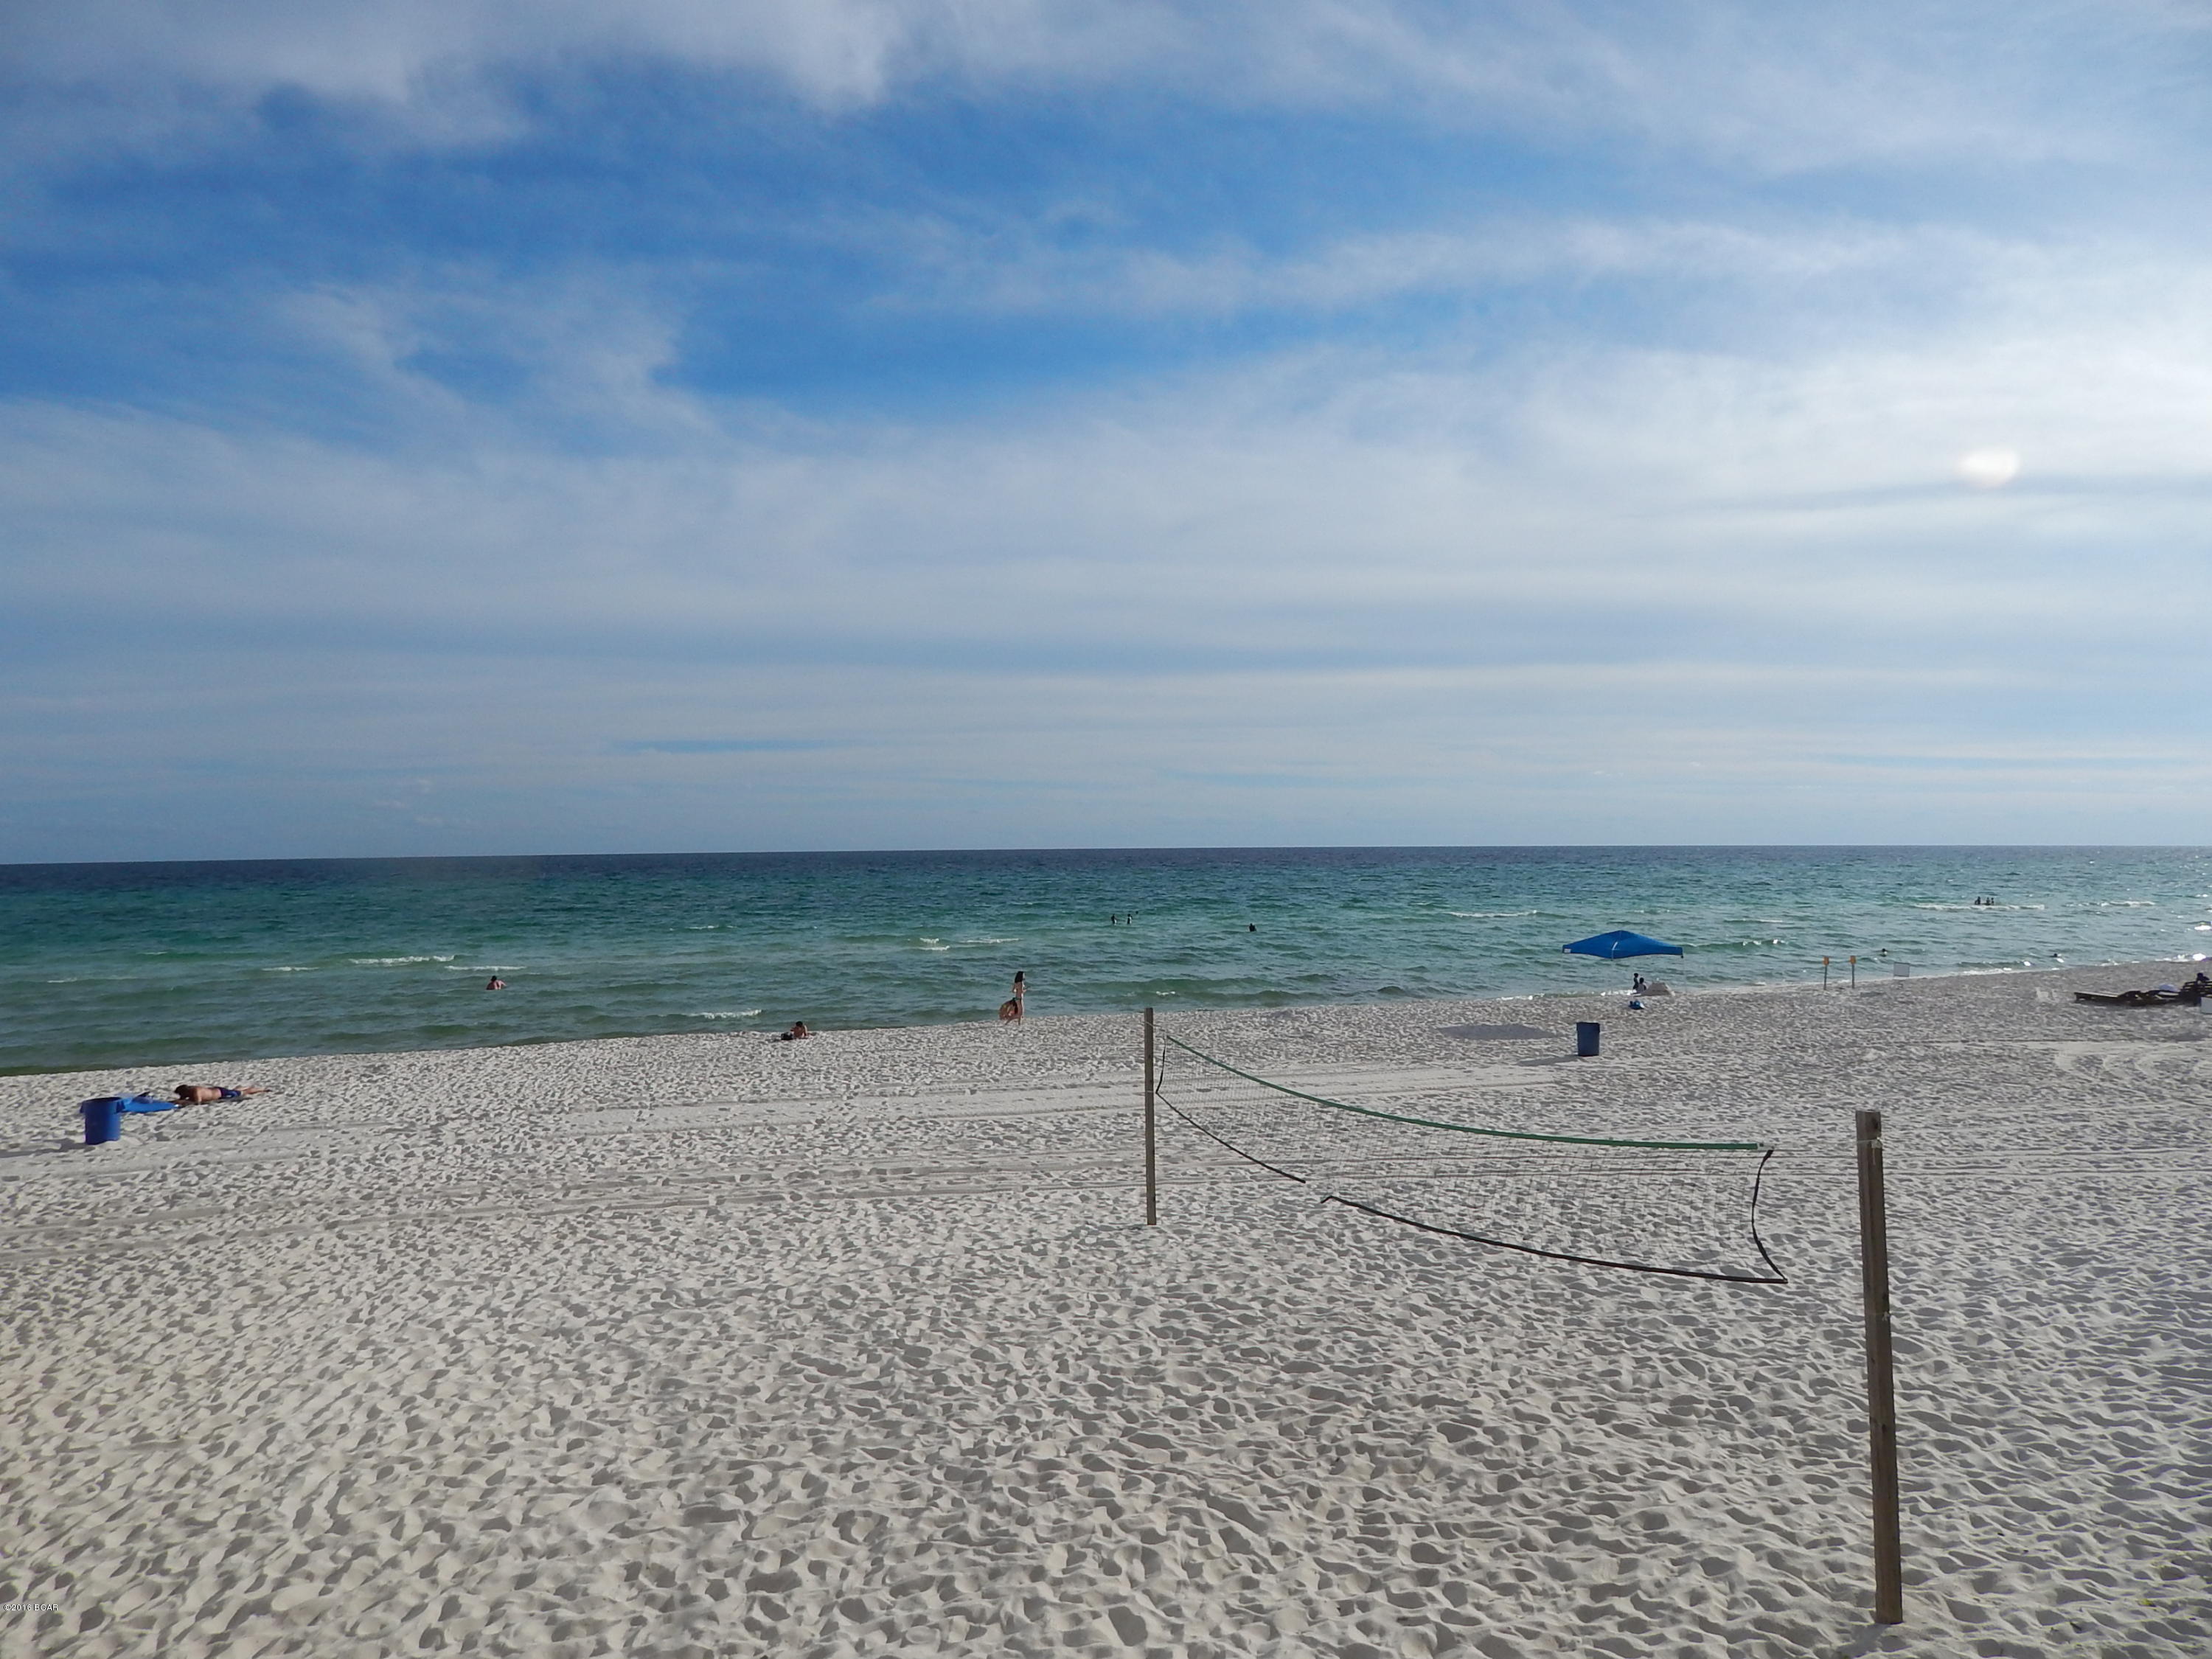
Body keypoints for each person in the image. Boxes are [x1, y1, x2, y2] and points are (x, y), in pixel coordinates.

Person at [172, 1084, 268, 1105]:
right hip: (217, 1090)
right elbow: (183, 1098)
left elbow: (198, 1102)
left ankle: (261, 1089)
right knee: (235, 1091)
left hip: (221, 1094)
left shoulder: (196, 1091)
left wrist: (182, 1102)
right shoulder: (189, 1091)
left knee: (243, 1093)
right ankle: (241, 1087)